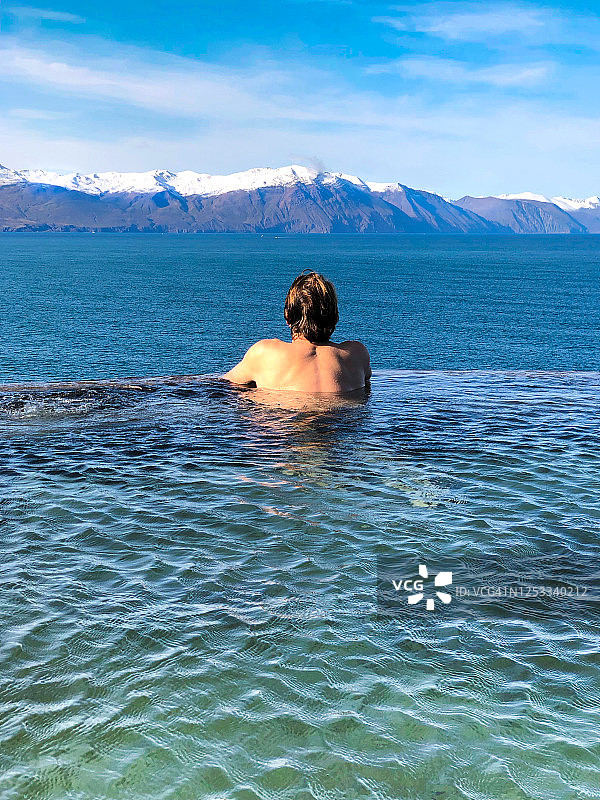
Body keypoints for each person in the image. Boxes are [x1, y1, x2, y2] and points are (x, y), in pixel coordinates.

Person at [223, 271, 371, 393]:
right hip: (342, 418)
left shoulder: (264, 353)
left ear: (287, 316)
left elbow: (224, 384)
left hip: (285, 416)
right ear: (335, 316)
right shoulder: (358, 354)